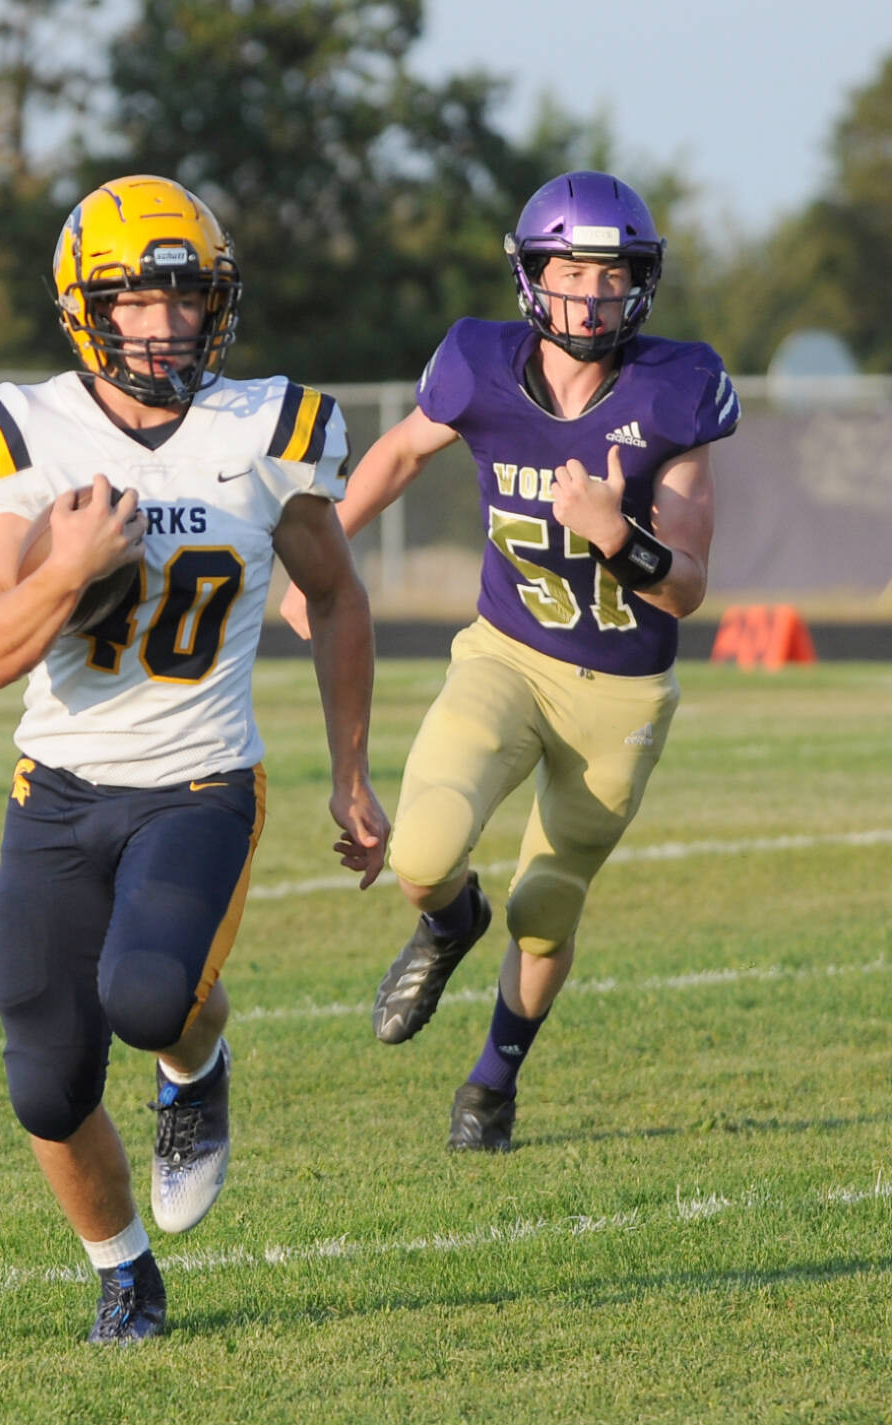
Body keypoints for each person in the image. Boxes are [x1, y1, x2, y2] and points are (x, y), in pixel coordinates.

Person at [0, 174, 389, 1343]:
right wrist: (65, 566)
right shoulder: (20, 436)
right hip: (58, 789)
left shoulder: (262, 431)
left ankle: (196, 1066)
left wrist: (349, 769)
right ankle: (123, 1272)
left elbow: (335, 597)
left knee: (148, 999)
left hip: (197, 783)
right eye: (137, 299)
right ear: (86, 309)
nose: (167, 322)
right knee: (43, 1078)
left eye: (187, 299)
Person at [281, 170, 739, 1153]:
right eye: (569, 272)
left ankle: (492, 1081)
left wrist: (617, 536)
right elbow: (401, 453)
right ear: (531, 278)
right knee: (421, 855)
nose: (590, 294)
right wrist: (323, 565)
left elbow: (688, 586)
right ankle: (449, 924)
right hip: (502, 656)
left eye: (610, 275)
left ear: (638, 285)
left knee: (543, 908)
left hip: (618, 693)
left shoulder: (674, 390)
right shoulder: (477, 364)